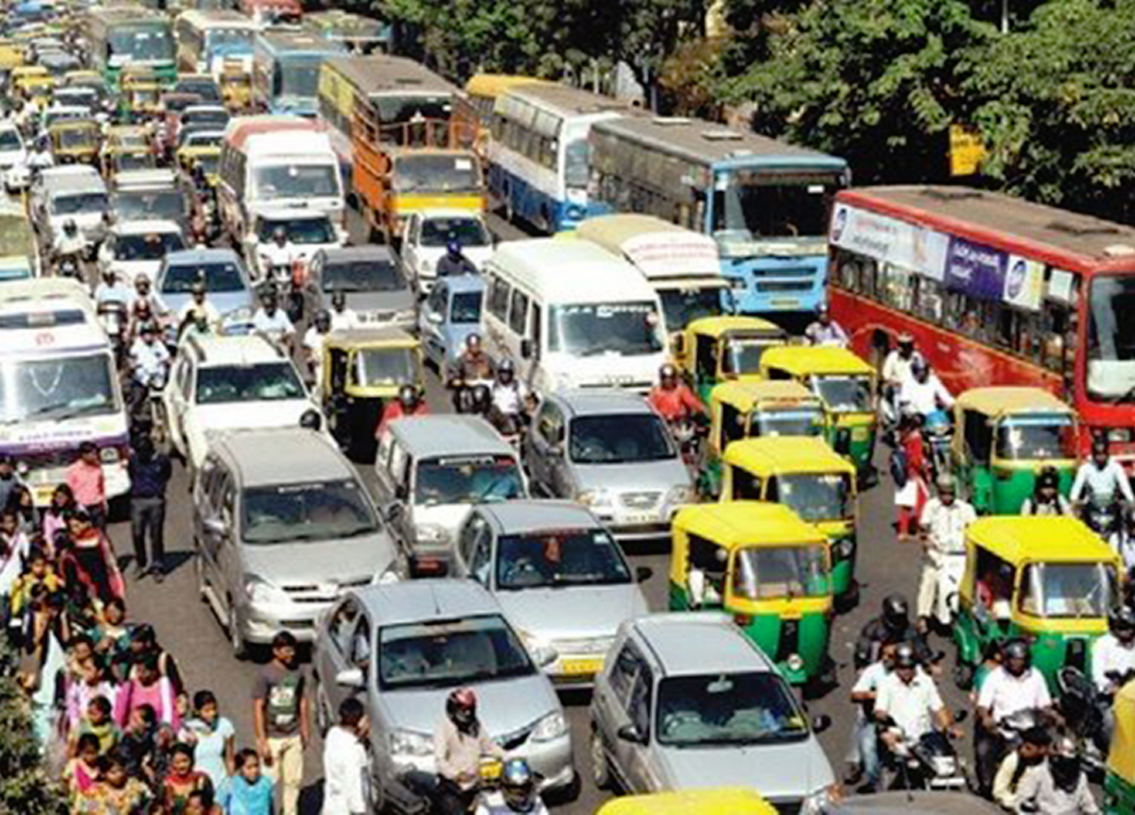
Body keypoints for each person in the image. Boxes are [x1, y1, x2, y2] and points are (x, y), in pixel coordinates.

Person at [976, 639, 1055, 797]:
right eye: (1013, 659)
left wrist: (1052, 715)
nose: (1017, 663)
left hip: (1031, 728)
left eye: (1021, 660)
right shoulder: (995, 677)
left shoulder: (1036, 676)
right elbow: (983, 704)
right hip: (1004, 730)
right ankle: (988, 785)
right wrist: (986, 717)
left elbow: (1045, 703)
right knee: (984, 751)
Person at [252, 631, 310, 815]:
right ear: (276, 651)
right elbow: (258, 706)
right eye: (286, 650)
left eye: (292, 650)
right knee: (269, 782)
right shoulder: (265, 674)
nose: (290, 654)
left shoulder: (298, 672)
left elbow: (302, 701)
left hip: (293, 734)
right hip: (272, 736)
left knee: (293, 781)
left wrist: (305, 730)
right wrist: (262, 739)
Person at [874, 644, 958, 769]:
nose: (906, 671)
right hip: (899, 741)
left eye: (910, 667)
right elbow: (880, 710)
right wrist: (886, 729)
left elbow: (939, 708)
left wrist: (949, 726)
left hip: (924, 740)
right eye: (902, 667)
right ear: (896, 666)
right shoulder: (887, 684)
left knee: (944, 763)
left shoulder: (925, 682)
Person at [917, 475, 976, 632]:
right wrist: (929, 547)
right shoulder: (931, 507)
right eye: (943, 493)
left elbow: (974, 530)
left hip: (961, 555)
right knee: (929, 580)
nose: (946, 497)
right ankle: (923, 616)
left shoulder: (965, 509)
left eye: (950, 493)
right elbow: (924, 532)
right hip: (938, 554)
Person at [434, 688, 503, 815]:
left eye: (470, 709)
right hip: (453, 788)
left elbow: (489, 747)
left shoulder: (475, 726)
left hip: (476, 784)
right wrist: (457, 775)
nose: (467, 713)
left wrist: (510, 758)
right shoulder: (444, 727)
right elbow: (440, 760)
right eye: (463, 710)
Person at [846, 643, 896, 793]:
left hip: (902, 718)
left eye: (892, 656)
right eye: (885, 655)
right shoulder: (873, 671)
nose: (887, 659)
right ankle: (873, 780)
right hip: (874, 719)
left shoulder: (910, 672)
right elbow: (854, 695)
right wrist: (872, 695)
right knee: (867, 745)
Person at [1014, 735, 1099, 815]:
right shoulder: (1037, 773)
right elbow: (1021, 804)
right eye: (1064, 762)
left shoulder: (1081, 778)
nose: (1067, 768)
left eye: (1071, 763)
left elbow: (1089, 805)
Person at [854, 594, 932, 669]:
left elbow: (922, 650)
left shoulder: (910, 629)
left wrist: (928, 661)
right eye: (896, 618)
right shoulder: (873, 630)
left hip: (906, 668)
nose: (899, 621)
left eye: (901, 617)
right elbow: (862, 658)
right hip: (878, 670)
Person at [322, 697, 369, 815]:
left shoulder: (332, 735)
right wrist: (360, 810)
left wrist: (361, 735)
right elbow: (353, 784)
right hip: (345, 809)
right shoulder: (353, 752)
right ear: (360, 722)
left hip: (331, 803)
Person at [181, 689, 236, 791]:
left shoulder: (224, 725)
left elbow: (230, 758)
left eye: (214, 709)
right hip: (199, 783)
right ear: (197, 711)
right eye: (207, 711)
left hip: (221, 782)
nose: (212, 714)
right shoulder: (188, 730)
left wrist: (231, 781)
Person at [114, 652, 181, 731]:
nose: (140, 675)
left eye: (143, 671)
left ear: (154, 672)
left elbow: (170, 712)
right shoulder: (131, 686)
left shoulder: (163, 687)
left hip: (157, 730)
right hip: (133, 729)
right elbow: (120, 709)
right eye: (138, 670)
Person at [993, 726, 1051, 811]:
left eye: (1028, 748)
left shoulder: (1047, 769)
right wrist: (1016, 803)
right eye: (1024, 745)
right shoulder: (1013, 760)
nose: (1023, 750)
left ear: (1042, 749)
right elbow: (998, 791)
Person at [893, 412, 929, 541]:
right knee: (922, 502)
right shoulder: (916, 438)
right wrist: (925, 468)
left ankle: (903, 531)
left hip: (903, 473)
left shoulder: (903, 438)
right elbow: (916, 459)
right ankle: (921, 530)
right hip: (915, 475)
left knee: (905, 504)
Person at [1071, 437, 1134, 506]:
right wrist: (1073, 499)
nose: (1100, 457)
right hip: (1091, 504)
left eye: (1103, 454)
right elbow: (1077, 485)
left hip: (1112, 504)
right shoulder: (1085, 468)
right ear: (1093, 455)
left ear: (1107, 454)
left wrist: (1131, 500)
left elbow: (1124, 485)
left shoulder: (1116, 467)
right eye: (1098, 455)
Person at [218, 748, 274, 815]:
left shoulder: (265, 784)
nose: (254, 770)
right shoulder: (230, 784)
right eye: (249, 767)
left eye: (256, 765)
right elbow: (217, 808)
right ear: (240, 768)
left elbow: (271, 809)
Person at [67, 441, 107, 528]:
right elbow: (70, 489)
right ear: (83, 455)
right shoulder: (73, 470)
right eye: (91, 453)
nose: (94, 456)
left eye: (95, 453)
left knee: (100, 533)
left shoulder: (97, 468)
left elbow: (101, 486)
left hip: (97, 505)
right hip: (81, 507)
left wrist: (104, 501)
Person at [488, 359, 529, 433]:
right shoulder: (493, 384)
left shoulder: (518, 386)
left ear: (511, 374)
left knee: (511, 427)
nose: (504, 376)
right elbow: (476, 383)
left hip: (511, 415)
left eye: (507, 373)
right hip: (495, 416)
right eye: (502, 372)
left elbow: (528, 398)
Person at [303, 309, 332, 387]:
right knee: (319, 383)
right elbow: (306, 349)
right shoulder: (311, 333)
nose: (322, 325)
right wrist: (310, 360)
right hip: (317, 363)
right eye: (320, 322)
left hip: (331, 362)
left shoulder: (332, 332)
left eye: (324, 322)